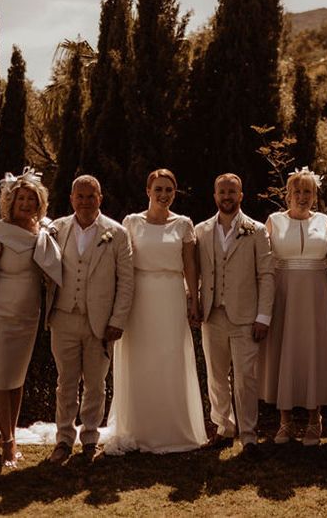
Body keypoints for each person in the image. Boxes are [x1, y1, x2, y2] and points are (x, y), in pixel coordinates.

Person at [104, 169, 207, 454]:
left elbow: (190, 266)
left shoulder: (184, 224)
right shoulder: (131, 222)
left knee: (171, 357)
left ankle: (174, 429)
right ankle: (137, 429)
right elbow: (124, 265)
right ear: (148, 191)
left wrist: (194, 302)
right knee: (140, 358)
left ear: (175, 193)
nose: (163, 195)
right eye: (158, 189)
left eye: (169, 190)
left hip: (171, 296)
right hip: (140, 298)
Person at [0, 169, 61, 467]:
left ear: (39, 203)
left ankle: (11, 435)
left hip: (28, 316)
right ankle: (7, 443)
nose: (26, 203)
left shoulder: (43, 231)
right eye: (21, 198)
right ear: (11, 200)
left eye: (32, 199)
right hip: (0, 314)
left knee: (16, 378)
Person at [46, 175, 133, 464]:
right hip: (63, 318)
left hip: (101, 322)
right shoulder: (57, 229)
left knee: (96, 384)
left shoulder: (117, 233)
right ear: (71, 199)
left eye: (90, 196)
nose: (85, 202)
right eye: (79, 196)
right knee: (66, 383)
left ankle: (91, 438)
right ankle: (63, 439)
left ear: (100, 198)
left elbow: (126, 282)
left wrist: (118, 320)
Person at [195, 173, 274, 457]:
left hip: (246, 317)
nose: (227, 197)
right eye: (222, 192)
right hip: (212, 313)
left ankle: (249, 435)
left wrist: (263, 317)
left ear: (241, 195)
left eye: (232, 192)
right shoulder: (201, 230)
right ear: (215, 196)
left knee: (245, 377)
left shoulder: (256, 230)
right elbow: (193, 273)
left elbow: (266, 275)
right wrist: (195, 303)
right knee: (216, 376)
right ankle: (223, 428)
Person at [259, 167, 327, 446]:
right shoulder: (273, 221)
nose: (302, 197)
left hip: (316, 296)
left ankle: (315, 420)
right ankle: (285, 422)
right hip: (283, 295)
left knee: (313, 350)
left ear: (315, 195)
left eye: (308, 192)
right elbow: (263, 261)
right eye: (297, 191)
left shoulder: (326, 221)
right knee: (285, 351)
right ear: (287, 194)